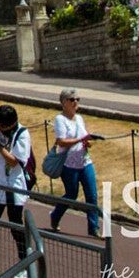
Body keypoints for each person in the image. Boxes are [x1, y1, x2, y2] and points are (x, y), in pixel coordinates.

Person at [0, 105, 32, 278]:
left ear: (11, 124)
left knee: (15, 226)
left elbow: (14, 161)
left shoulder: (22, 134)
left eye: (2, 126)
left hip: (14, 187)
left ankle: (26, 264)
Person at [50, 87, 100, 237]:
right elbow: (61, 141)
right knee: (71, 194)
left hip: (85, 162)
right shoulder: (60, 119)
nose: (76, 102)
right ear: (64, 102)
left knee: (92, 195)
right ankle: (55, 216)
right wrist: (80, 140)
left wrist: (87, 143)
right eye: (72, 100)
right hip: (69, 164)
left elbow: (83, 136)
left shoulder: (79, 118)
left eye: (78, 99)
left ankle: (94, 228)